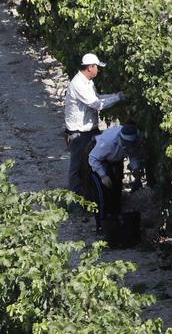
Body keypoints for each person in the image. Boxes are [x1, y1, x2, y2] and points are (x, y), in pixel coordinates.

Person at [63, 53, 122, 197]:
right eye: (97, 67)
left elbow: (97, 98)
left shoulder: (88, 82)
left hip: (90, 130)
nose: (98, 70)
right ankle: (75, 200)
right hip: (79, 133)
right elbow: (96, 104)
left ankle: (90, 196)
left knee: (91, 163)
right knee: (77, 167)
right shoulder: (78, 84)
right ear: (90, 67)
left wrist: (114, 95)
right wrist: (118, 98)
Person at [88, 123, 140, 221]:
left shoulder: (134, 138)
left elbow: (132, 155)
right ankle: (101, 223)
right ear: (122, 140)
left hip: (115, 160)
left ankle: (115, 219)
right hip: (98, 160)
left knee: (116, 190)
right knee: (101, 194)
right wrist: (103, 176)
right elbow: (92, 158)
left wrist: (137, 174)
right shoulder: (108, 143)